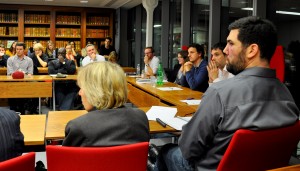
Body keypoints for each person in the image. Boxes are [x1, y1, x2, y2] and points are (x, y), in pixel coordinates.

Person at [154, 16, 300, 171]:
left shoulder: (219, 92)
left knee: (166, 151)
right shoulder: (287, 95)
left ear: (252, 50)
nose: (225, 50)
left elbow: (188, 149)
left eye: (231, 44)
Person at [62, 61, 150, 146]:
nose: (79, 93)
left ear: (95, 91)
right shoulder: (141, 118)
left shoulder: (77, 127)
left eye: (82, 88)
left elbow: (68, 159)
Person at [7, 42, 34, 114]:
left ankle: (26, 110)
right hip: (13, 83)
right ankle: (13, 111)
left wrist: (20, 75)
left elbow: (30, 74)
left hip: (25, 83)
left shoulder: (29, 60)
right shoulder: (10, 59)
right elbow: (10, 74)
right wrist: (22, 74)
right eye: (17, 49)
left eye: (20, 49)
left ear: (24, 50)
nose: (18, 51)